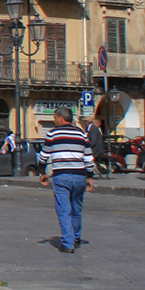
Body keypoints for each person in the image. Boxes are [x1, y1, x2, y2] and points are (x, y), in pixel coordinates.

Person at [39, 106, 94, 253]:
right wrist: (90, 177)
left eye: (55, 118)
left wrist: (42, 173)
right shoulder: (82, 135)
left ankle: (68, 244)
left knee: (64, 210)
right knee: (76, 209)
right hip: (79, 176)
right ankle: (76, 238)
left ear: (61, 118)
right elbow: (89, 158)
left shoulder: (52, 134)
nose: (54, 120)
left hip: (61, 176)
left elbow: (43, 156)